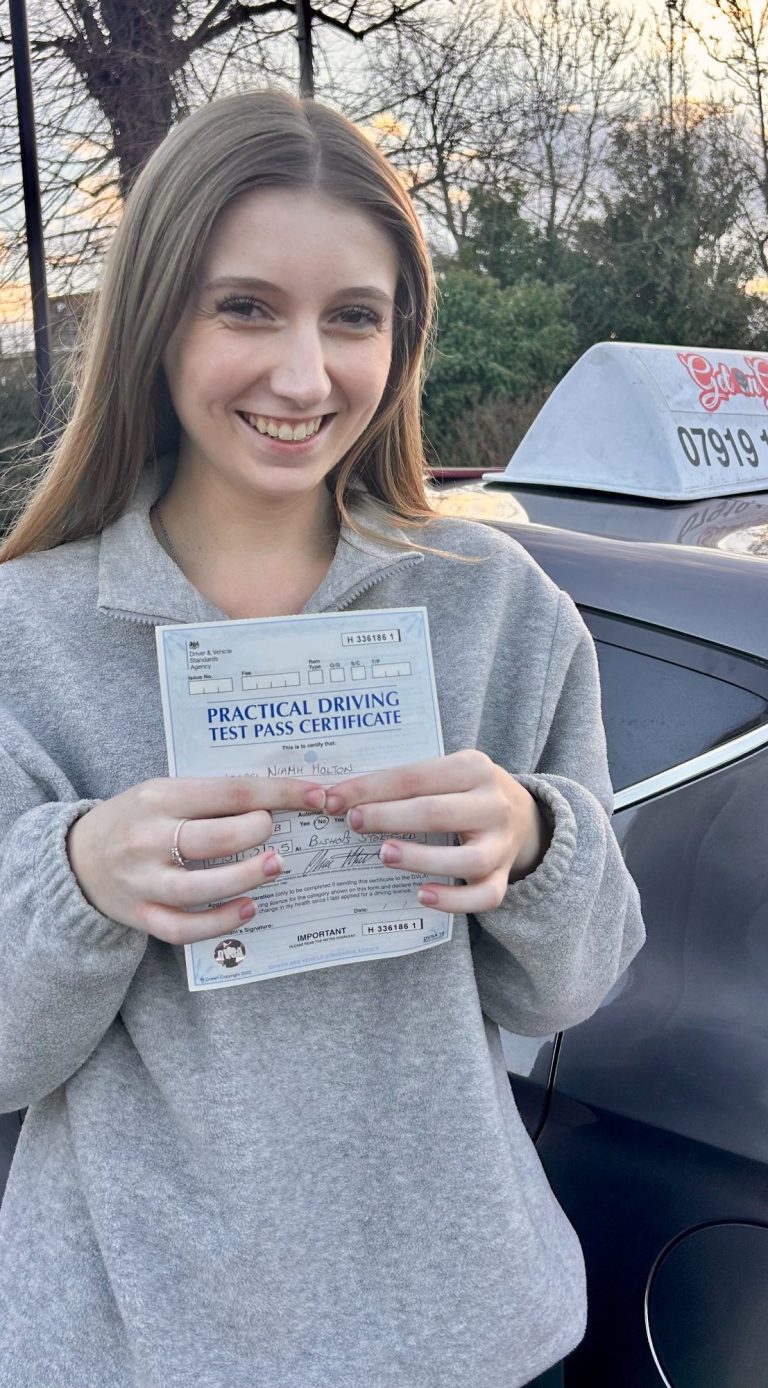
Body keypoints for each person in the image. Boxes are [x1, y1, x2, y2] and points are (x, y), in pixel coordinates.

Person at [0, 89, 644, 1388]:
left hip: (472, 1337)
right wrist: (79, 879)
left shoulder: (499, 612)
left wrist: (536, 844)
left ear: (403, 337)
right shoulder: (28, 634)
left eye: (353, 316)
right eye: (246, 307)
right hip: (136, 1353)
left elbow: (572, 990)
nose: (305, 374)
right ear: (155, 324)